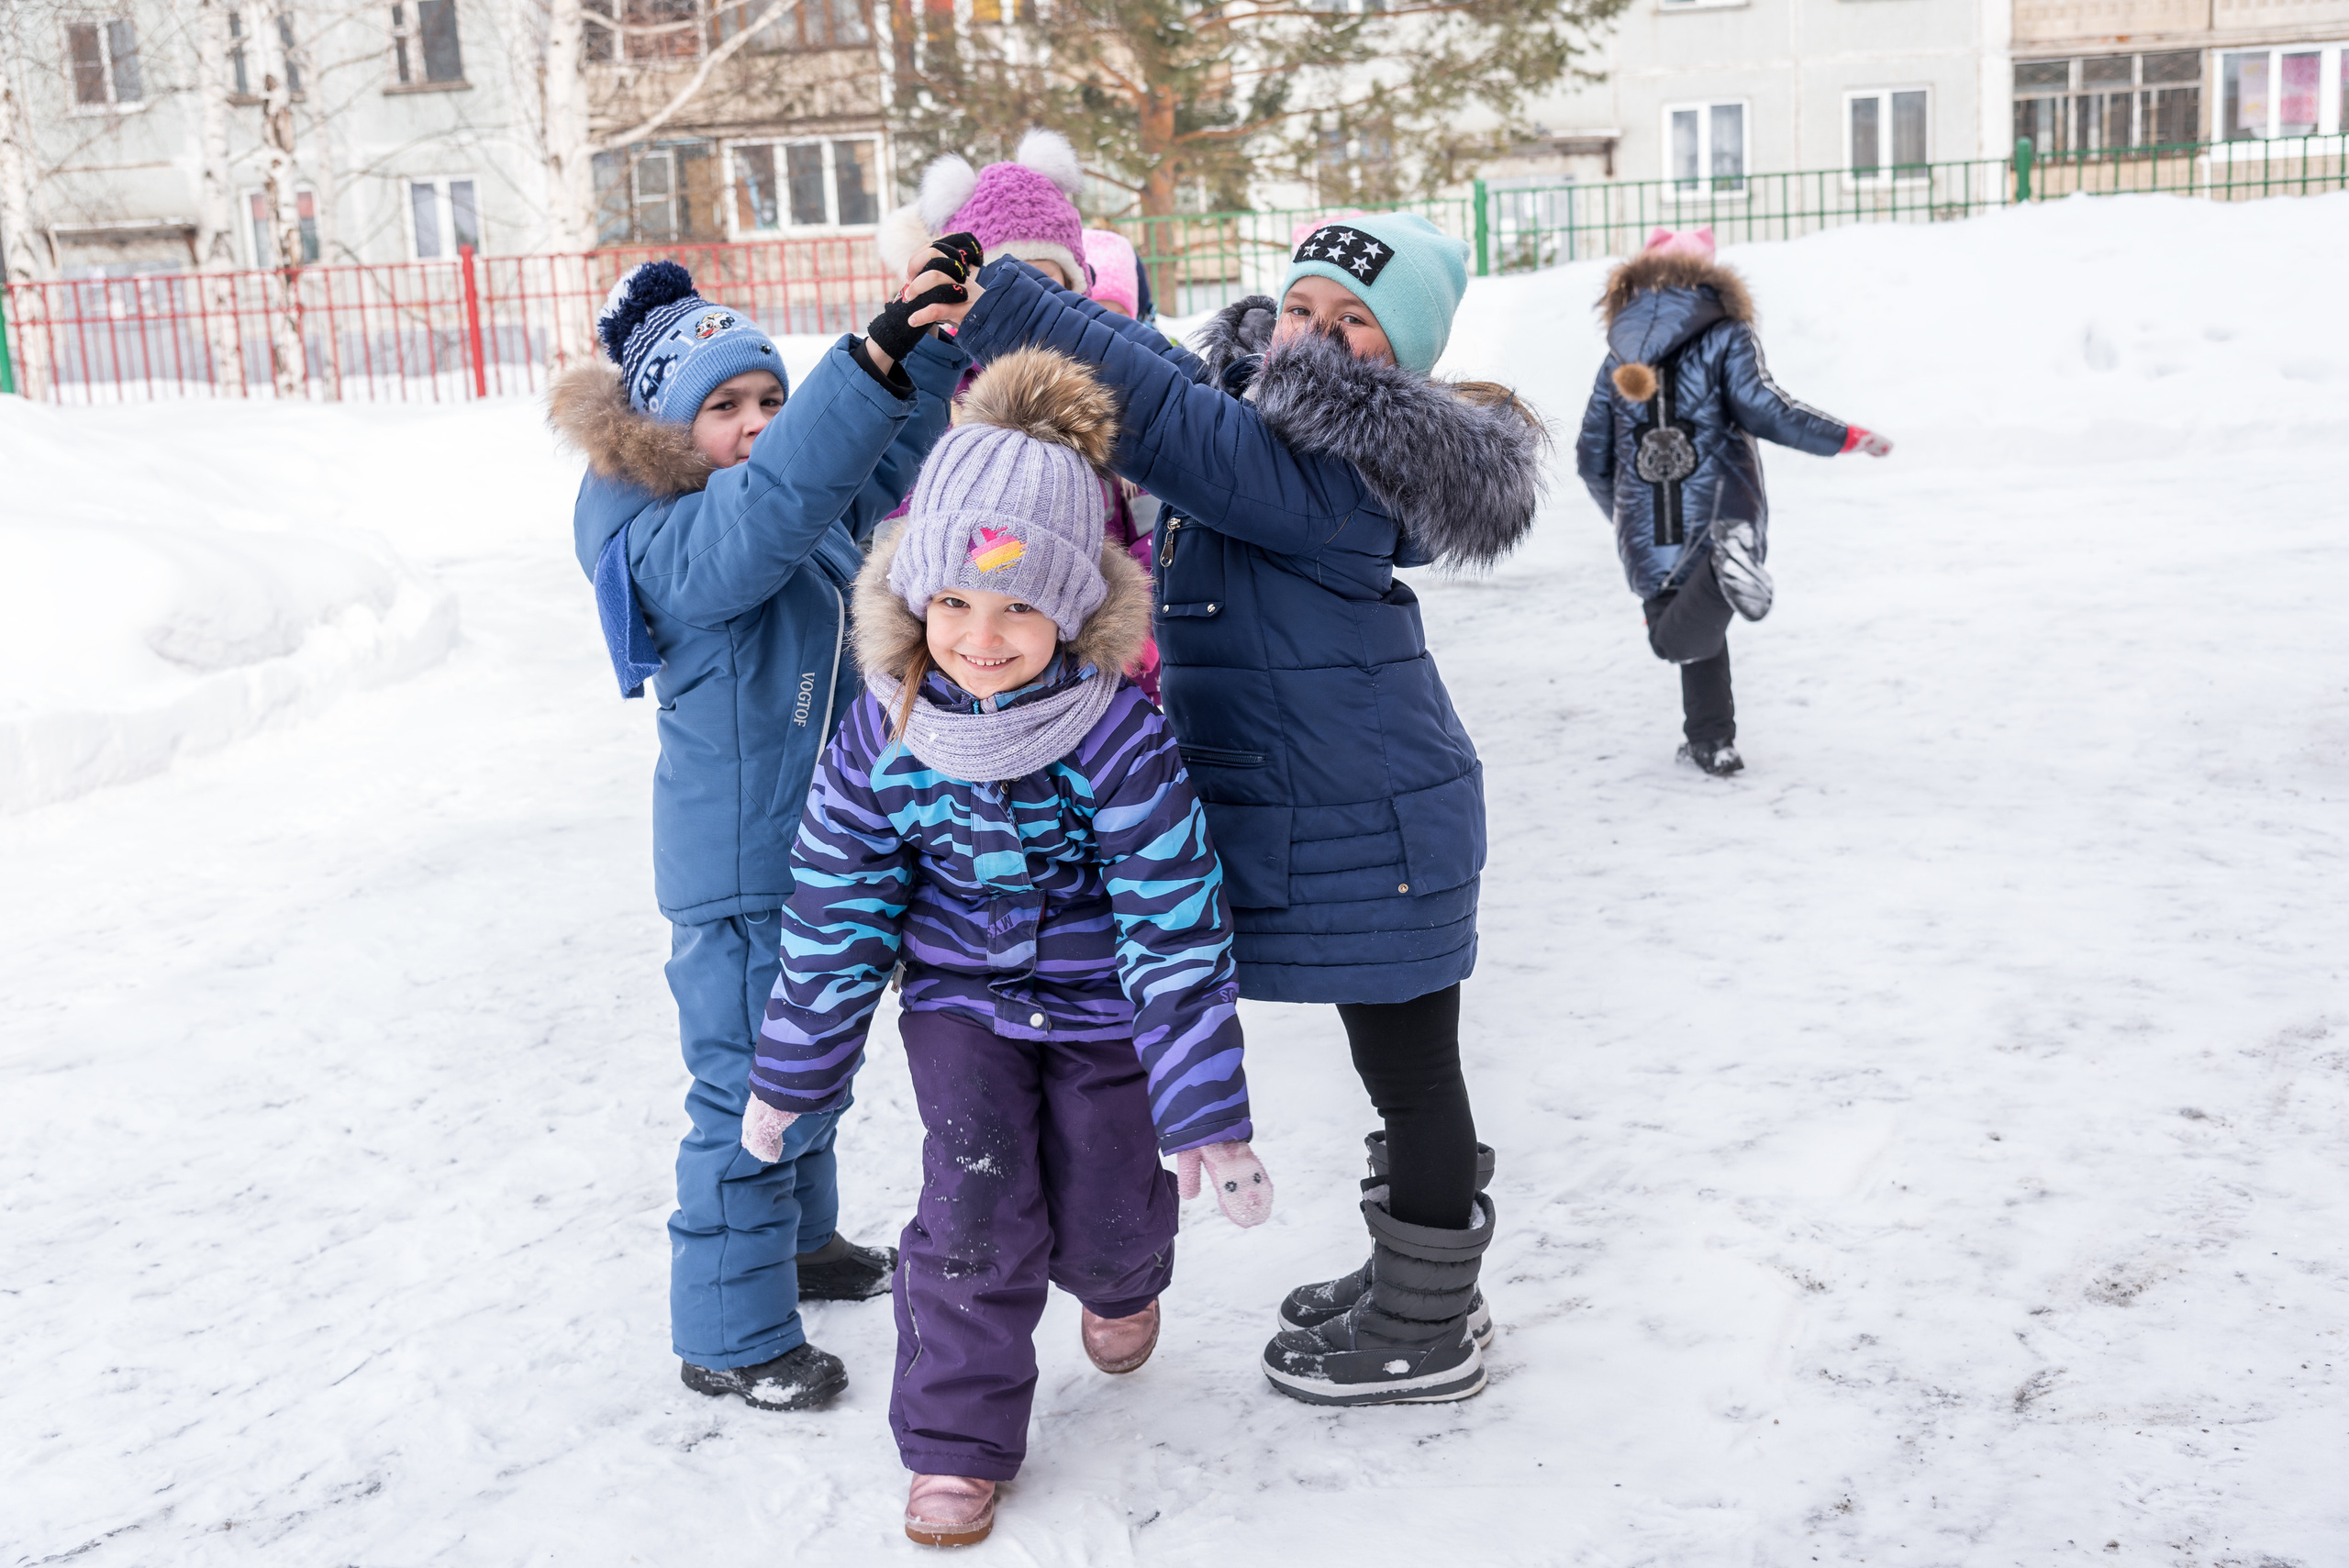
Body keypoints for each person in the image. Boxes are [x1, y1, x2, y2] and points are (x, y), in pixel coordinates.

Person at [898, 211, 1545, 1407]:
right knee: (1399, 1075)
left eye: (1355, 324)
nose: (1316, 337)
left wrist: (1000, 312)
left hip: (1377, 823)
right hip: (1361, 808)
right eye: (1301, 308)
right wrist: (1017, 294)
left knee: (1413, 1077)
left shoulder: (1335, 463)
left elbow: (1172, 418)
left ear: (1396, 365)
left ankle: (1431, 1319)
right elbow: (1153, 357)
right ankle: (1415, 1273)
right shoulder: (1273, 428)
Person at [737, 346, 1273, 1546]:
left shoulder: (1118, 737)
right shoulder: (888, 731)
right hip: (963, 1010)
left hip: (1102, 1014)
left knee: (1109, 1198)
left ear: (1075, 606)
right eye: (960, 601)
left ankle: (1128, 1275)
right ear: (921, 594)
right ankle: (956, 1442)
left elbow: (1174, 922)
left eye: (1021, 603)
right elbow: (834, 908)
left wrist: (1207, 1113)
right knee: (971, 1212)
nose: (984, 635)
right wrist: (794, 1072)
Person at [550, 258, 972, 1412]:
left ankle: (801, 1242)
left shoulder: (779, 496)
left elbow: (867, 462)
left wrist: (923, 350)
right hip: (740, 875)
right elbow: (776, 502)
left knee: (814, 1062)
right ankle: (729, 1331)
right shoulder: (669, 541)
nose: (752, 427)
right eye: (722, 408)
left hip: (821, 853)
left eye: (769, 402)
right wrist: (863, 366)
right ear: (665, 432)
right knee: (746, 1090)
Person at [1574, 227, 1893, 776]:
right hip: (1722, 511)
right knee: (1690, 631)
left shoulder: (1615, 359)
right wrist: (1844, 437)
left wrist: (1621, 513)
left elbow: (1589, 457)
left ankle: (1712, 736)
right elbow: (1766, 407)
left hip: (1649, 526)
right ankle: (1712, 727)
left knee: (1684, 637)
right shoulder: (1726, 334)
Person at [878, 128, 1092, 292]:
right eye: (1004, 279)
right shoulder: (952, 348)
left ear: (1072, 279)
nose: (1029, 293)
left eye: (1042, 277)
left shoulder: (1099, 343)